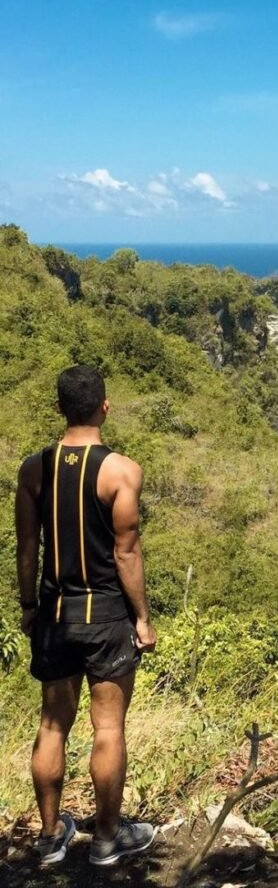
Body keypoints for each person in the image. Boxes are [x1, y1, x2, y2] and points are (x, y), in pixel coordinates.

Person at [15, 364, 158, 866]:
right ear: (105, 406)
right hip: (106, 617)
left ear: (59, 408)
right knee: (108, 728)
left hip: (54, 615)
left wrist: (28, 605)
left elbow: (27, 548)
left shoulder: (34, 469)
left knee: (53, 725)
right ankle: (107, 838)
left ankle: (51, 835)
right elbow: (127, 554)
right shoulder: (122, 471)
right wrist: (142, 617)